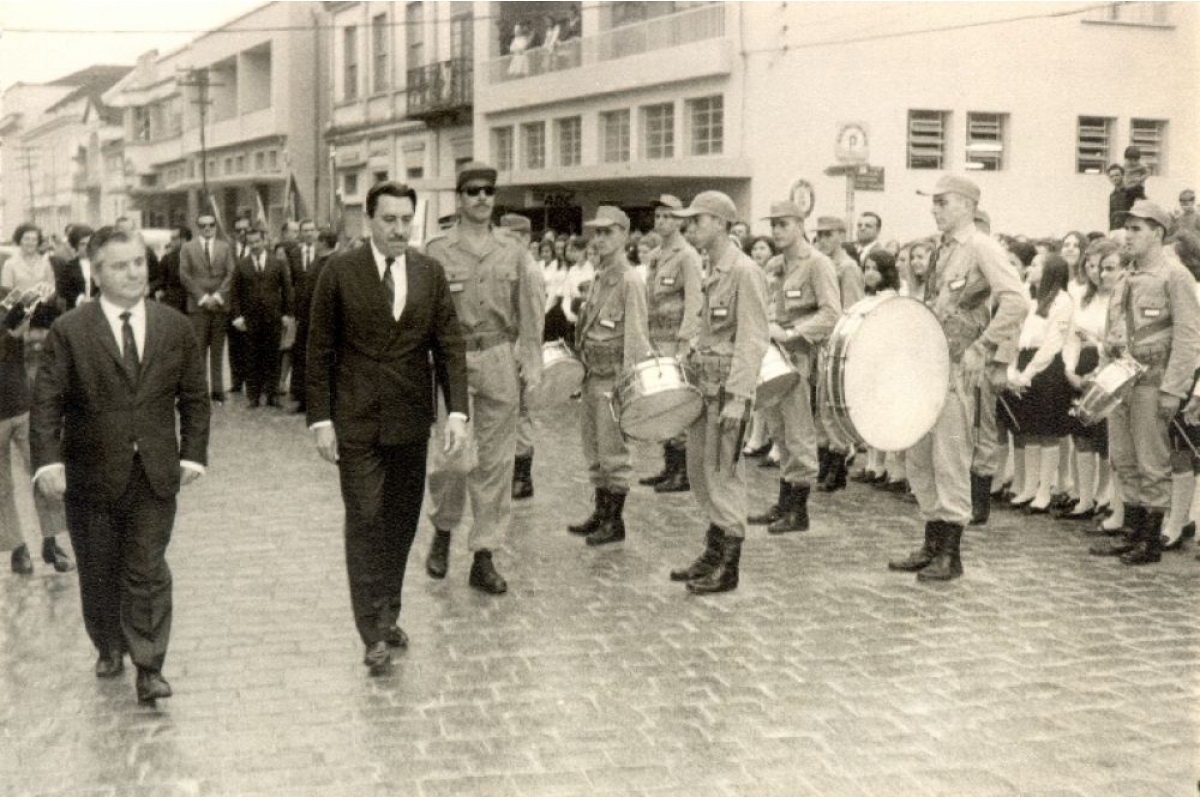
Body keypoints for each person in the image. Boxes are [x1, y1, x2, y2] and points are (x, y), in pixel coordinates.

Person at [31, 226, 211, 703]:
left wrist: (193, 453)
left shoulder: (175, 326)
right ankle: (108, 642)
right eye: (119, 265)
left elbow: (194, 397)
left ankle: (150, 666)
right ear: (96, 272)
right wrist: (47, 462)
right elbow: (48, 402)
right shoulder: (70, 331)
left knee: (147, 568)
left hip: (154, 471)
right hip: (90, 473)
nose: (133, 273)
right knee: (98, 567)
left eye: (138, 263)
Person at [307, 181, 468, 675]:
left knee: (399, 523)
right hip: (355, 422)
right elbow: (319, 349)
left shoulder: (429, 272)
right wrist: (321, 420)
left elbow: (449, 346)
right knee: (365, 519)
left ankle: (388, 610)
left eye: (406, 220)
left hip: (408, 419)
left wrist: (456, 411)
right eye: (389, 220)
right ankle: (372, 632)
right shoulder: (339, 272)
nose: (399, 229)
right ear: (369, 221)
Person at [887, 175, 1028, 582]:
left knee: (949, 457)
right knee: (921, 457)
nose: (935, 209)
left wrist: (984, 348)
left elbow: (1016, 301)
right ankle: (932, 541)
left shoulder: (982, 247)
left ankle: (951, 551)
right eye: (934, 203)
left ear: (966, 205)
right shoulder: (940, 251)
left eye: (942, 202)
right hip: (930, 363)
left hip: (956, 367)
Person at [423, 162, 543, 593]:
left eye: (488, 191)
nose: (481, 198)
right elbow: (422, 316)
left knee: (496, 464)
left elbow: (530, 310)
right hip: (453, 360)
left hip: (497, 359)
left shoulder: (512, 250)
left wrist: (531, 362)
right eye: (472, 191)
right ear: (459, 198)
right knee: (453, 458)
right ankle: (443, 530)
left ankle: (484, 555)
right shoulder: (437, 251)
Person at [668, 191, 769, 594]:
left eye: (699, 220)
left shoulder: (744, 271)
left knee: (723, 474)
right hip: (704, 387)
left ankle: (728, 565)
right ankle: (712, 551)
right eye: (690, 222)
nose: (691, 228)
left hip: (727, 391)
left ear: (723, 224)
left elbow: (753, 339)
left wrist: (740, 398)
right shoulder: (712, 269)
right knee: (700, 472)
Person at [1090, 200, 1200, 566]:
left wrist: (1174, 389)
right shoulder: (1125, 276)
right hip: (1121, 383)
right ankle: (1133, 532)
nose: (1128, 235)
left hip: (1153, 382)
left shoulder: (1175, 276)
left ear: (1158, 233)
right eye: (1127, 228)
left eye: (1137, 228)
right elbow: (1114, 329)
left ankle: (1150, 540)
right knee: (1123, 458)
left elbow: (1188, 336)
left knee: (1152, 461)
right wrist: (1104, 371)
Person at [748, 201, 840, 534]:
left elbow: (831, 313)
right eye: (773, 225)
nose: (776, 231)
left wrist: (792, 333)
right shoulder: (774, 265)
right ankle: (784, 501)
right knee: (779, 431)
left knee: (799, 433)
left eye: (783, 224)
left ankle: (799, 510)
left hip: (800, 357)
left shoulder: (817, 263)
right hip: (772, 357)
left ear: (801, 225)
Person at [567, 207, 650, 545]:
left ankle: (614, 522)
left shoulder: (629, 280)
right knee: (594, 449)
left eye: (608, 233)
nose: (600, 239)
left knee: (614, 452)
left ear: (625, 236)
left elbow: (637, 337)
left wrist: (627, 389)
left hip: (613, 377)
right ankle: (601, 512)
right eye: (597, 233)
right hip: (592, 374)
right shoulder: (600, 276)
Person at [0, 285, 72, 575]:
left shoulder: (7, 298)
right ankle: (17, 548)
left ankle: (51, 542)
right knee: (1, 487)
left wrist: (43, 300)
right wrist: (9, 335)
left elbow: (48, 320)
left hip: (21, 404)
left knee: (42, 472)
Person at [637, 194, 703, 493]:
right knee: (662, 403)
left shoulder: (686, 255)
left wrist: (686, 343)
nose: (661, 221)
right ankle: (669, 466)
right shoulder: (656, 256)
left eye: (668, 216)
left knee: (677, 403)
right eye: (658, 216)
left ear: (680, 220)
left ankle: (683, 472)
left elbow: (694, 302)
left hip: (676, 341)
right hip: (656, 339)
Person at [1004, 254, 1074, 513]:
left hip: (1046, 368)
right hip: (1024, 361)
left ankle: (1045, 489)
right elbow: (1019, 334)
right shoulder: (1032, 299)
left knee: (1048, 430)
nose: (1030, 269)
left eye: (1036, 265)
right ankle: (1029, 487)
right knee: (1029, 428)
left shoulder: (1062, 300)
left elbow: (1053, 342)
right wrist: (1014, 369)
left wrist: (1029, 372)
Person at [1060, 240, 1121, 521]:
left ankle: (1104, 495)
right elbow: (1072, 337)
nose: (1097, 272)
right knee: (1081, 435)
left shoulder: (1119, 298)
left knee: (1105, 440)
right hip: (1081, 371)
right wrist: (1071, 370)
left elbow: (1112, 342)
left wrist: (1097, 347)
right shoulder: (1084, 297)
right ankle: (1084, 498)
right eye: (1093, 266)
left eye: (1104, 266)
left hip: (1108, 372)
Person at [811, 215, 865, 492]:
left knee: (834, 405)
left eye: (829, 234)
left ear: (841, 235)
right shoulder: (823, 264)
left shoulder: (848, 268)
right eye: (819, 235)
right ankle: (825, 463)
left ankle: (838, 463)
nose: (823, 240)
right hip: (822, 342)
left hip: (838, 342)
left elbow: (852, 308)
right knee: (822, 408)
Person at [497, 213, 546, 501]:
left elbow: (535, 321)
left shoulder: (529, 271)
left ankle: (523, 477)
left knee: (522, 414)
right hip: (505, 351)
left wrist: (528, 360)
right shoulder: (509, 269)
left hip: (520, 352)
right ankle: (511, 470)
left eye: (514, 239)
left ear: (527, 239)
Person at [230, 228, 294, 409]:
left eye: (257, 241)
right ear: (247, 244)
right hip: (250, 319)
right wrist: (237, 317)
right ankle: (253, 396)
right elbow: (234, 293)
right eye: (251, 243)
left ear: (264, 241)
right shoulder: (241, 265)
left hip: (273, 317)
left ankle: (272, 395)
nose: (255, 246)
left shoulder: (277, 263)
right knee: (252, 357)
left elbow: (287, 289)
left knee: (273, 357)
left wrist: (287, 314)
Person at [179, 213, 235, 404]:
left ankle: (218, 390)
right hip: (198, 305)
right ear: (197, 228)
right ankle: (201, 390)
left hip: (220, 305)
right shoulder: (187, 248)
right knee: (199, 349)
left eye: (211, 225)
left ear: (215, 226)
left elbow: (230, 273)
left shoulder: (225, 247)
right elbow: (185, 275)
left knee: (218, 350)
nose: (207, 228)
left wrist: (218, 296)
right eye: (203, 225)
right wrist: (203, 298)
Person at [289, 220, 321, 413]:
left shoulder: (323, 255)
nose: (308, 234)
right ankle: (301, 398)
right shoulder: (293, 254)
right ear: (300, 234)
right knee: (299, 354)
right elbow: (290, 283)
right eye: (305, 231)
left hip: (318, 309)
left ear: (316, 233)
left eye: (311, 230)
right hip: (301, 312)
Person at [150, 227, 191, 314]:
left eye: (173, 238)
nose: (170, 241)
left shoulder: (198, 256)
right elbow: (160, 279)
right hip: (174, 305)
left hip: (191, 305)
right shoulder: (168, 258)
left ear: (183, 240)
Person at [56, 225, 97, 310]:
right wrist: (80, 299)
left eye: (89, 243)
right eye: (82, 244)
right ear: (75, 246)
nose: (87, 247)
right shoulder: (68, 267)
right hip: (76, 311)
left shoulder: (100, 264)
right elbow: (64, 290)